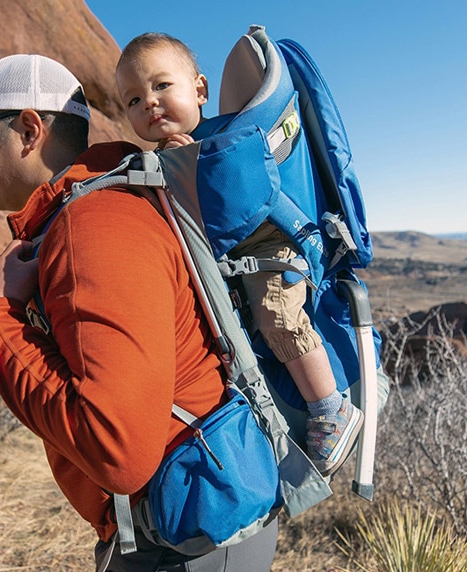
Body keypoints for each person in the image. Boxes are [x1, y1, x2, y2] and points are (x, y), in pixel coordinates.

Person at [0, 53, 279, 571]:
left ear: (28, 129)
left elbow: (119, 451)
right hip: (189, 517)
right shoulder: (98, 207)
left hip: (188, 538)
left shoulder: (94, 226)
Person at [115, 32, 362, 476]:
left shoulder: (227, 135)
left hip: (272, 248)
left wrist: (190, 163)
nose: (149, 103)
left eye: (160, 86)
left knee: (277, 315)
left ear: (200, 90)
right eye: (133, 100)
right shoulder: (154, 161)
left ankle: (331, 408)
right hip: (229, 261)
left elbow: (239, 200)